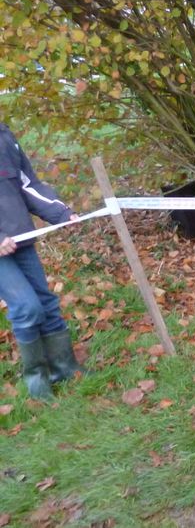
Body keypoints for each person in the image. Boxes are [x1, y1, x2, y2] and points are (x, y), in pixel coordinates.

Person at [0, 122, 89, 401]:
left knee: (47, 304)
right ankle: (37, 383)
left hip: (20, 237)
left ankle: (65, 370)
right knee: (27, 308)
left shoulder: (4, 136)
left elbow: (28, 185)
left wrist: (62, 213)